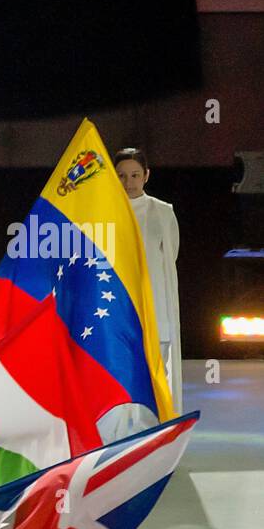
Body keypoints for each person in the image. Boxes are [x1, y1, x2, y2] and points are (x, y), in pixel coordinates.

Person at [116, 147, 182, 415]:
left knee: (156, 370)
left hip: (156, 304)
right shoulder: (104, 212)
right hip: (118, 304)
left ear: (146, 175)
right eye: (121, 176)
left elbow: (170, 256)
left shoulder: (162, 211)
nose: (129, 182)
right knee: (121, 369)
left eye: (134, 175)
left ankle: (155, 428)